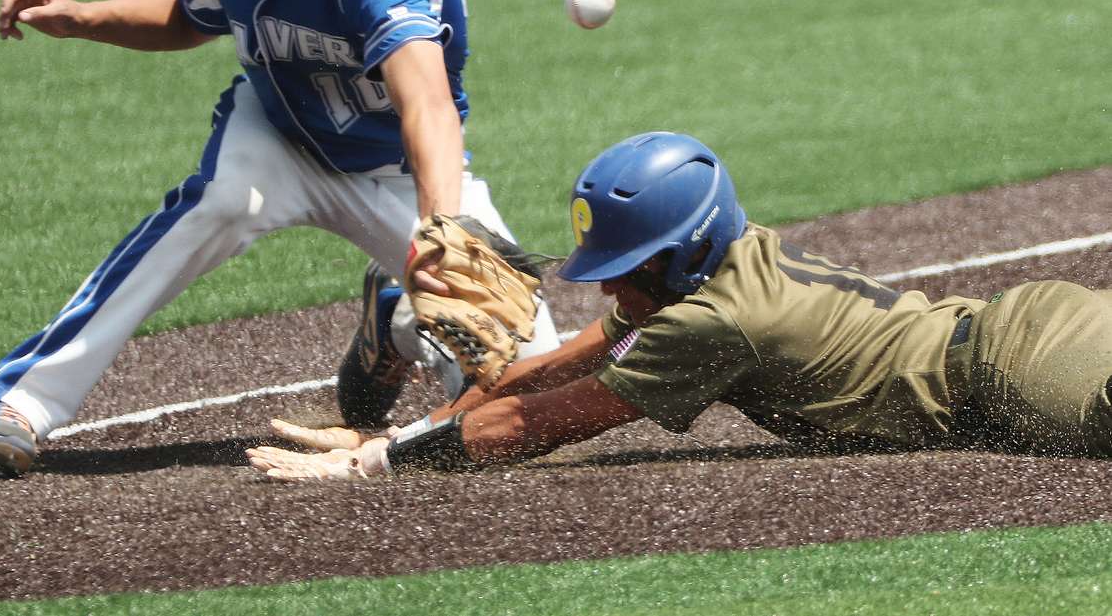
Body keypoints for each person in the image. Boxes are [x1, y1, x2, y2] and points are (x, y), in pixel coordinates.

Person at [0, 0, 560, 477]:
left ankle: (397, 316)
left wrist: (441, 231)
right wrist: (83, 16)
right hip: (278, 141)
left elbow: (425, 100)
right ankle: (23, 400)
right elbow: (191, 11)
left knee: (529, 394)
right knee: (212, 204)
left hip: (395, 169)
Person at [247, 131, 1112, 481]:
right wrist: (397, 432)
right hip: (1030, 321)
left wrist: (373, 468)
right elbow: (555, 364)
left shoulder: (710, 318)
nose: (607, 286)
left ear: (681, 251)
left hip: (1020, 369)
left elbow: (541, 422)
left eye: (624, 267)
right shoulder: (713, 265)